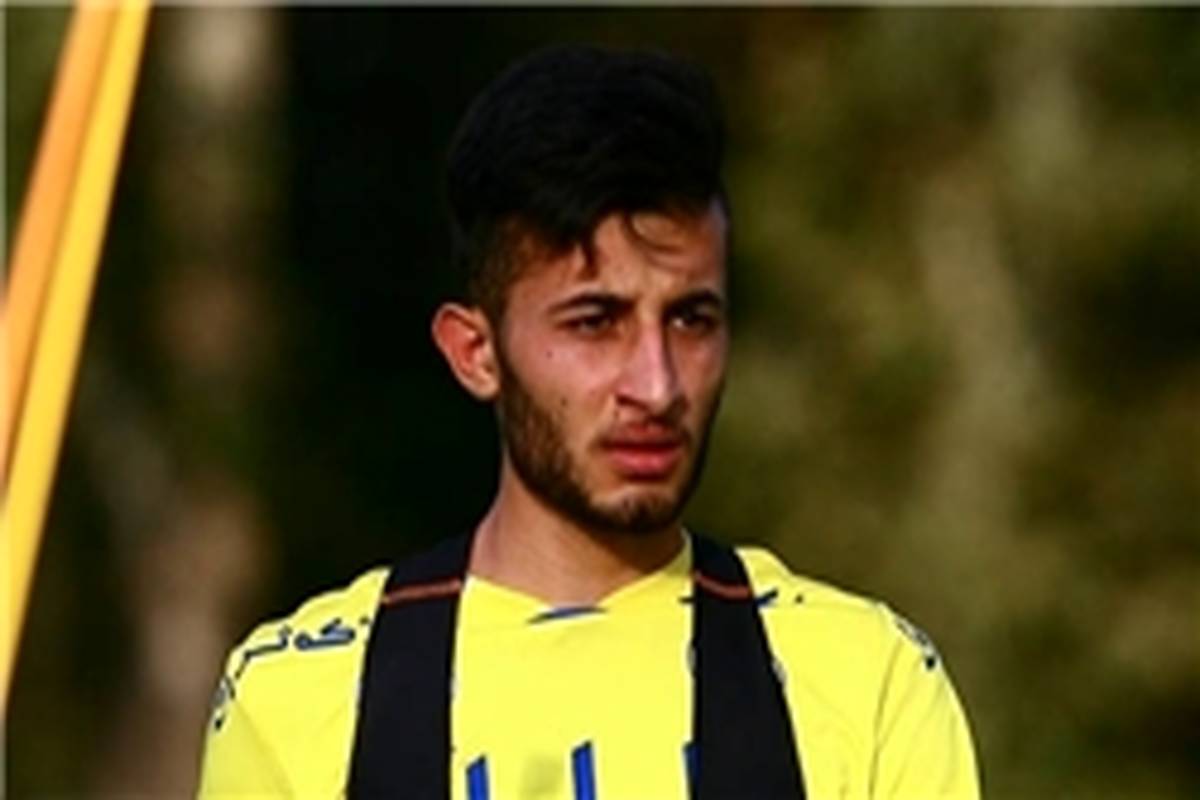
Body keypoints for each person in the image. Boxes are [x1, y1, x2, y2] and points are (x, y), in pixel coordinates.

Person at [198, 45, 979, 799]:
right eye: (595, 322)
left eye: (691, 319)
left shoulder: (868, 683)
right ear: (476, 353)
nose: (657, 386)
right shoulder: (299, 697)